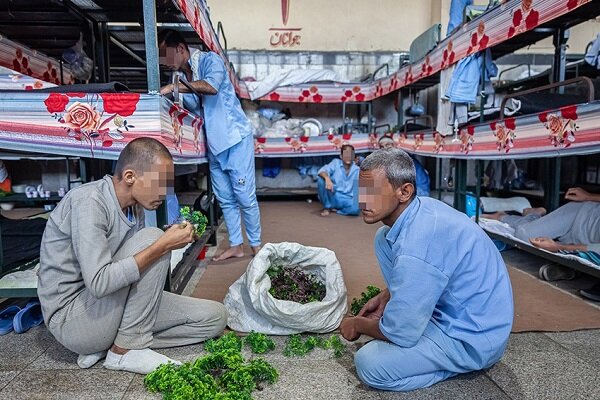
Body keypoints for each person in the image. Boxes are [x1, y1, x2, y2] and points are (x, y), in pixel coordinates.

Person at [37, 138, 227, 374]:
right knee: (152, 239)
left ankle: (115, 342)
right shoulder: (90, 202)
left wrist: (167, 243)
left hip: (110, 308)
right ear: (129, 177)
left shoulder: (134, 205)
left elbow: (132, 271)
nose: (165, 193)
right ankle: (124, 352)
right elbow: (99, 283)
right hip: (73, 319)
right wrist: (161, 245)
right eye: (160, 183)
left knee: (214, 317)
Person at [340, 148, 513, 392]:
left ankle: (456, 366)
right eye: (362, 190)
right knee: (383, 238)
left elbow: (400, 334)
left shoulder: (418, 243)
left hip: (473, 338)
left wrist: (357, 324)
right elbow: (422, 270)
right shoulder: (421, 210)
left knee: (369, 364)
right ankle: (411, 312)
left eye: (374, 192)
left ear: (405, 191)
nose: (363, 200)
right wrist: (387, 296)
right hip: (457, 314)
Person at [158, 29, 261, 261]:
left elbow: (211, 87)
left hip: (235, 139)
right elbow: (192, 107)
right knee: (225, 197)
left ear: (181, 49)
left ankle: (256, 246)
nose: (164, 62)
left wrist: (173, 88)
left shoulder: (209, 60)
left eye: (166, 55)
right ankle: (237, 245)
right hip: (214, 145)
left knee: (244, 196)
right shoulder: (182, 75)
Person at [482, 187, 600, 300]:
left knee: (532, 236)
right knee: (525, 234)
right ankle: (529, 214)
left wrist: (558, 247)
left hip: (583, 241)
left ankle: (571, 269)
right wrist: (588, 196)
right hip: (582, 215)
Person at [317, 144, 360, 217]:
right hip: (333, 194)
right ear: (341, 156)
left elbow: (358, 190)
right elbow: (321, 171)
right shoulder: (335, 163)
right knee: (321, 180)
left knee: (355, 210)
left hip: (347, 198)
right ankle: (327, 207)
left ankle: (338, 210)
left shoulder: (357, 169)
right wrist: (327, 179)